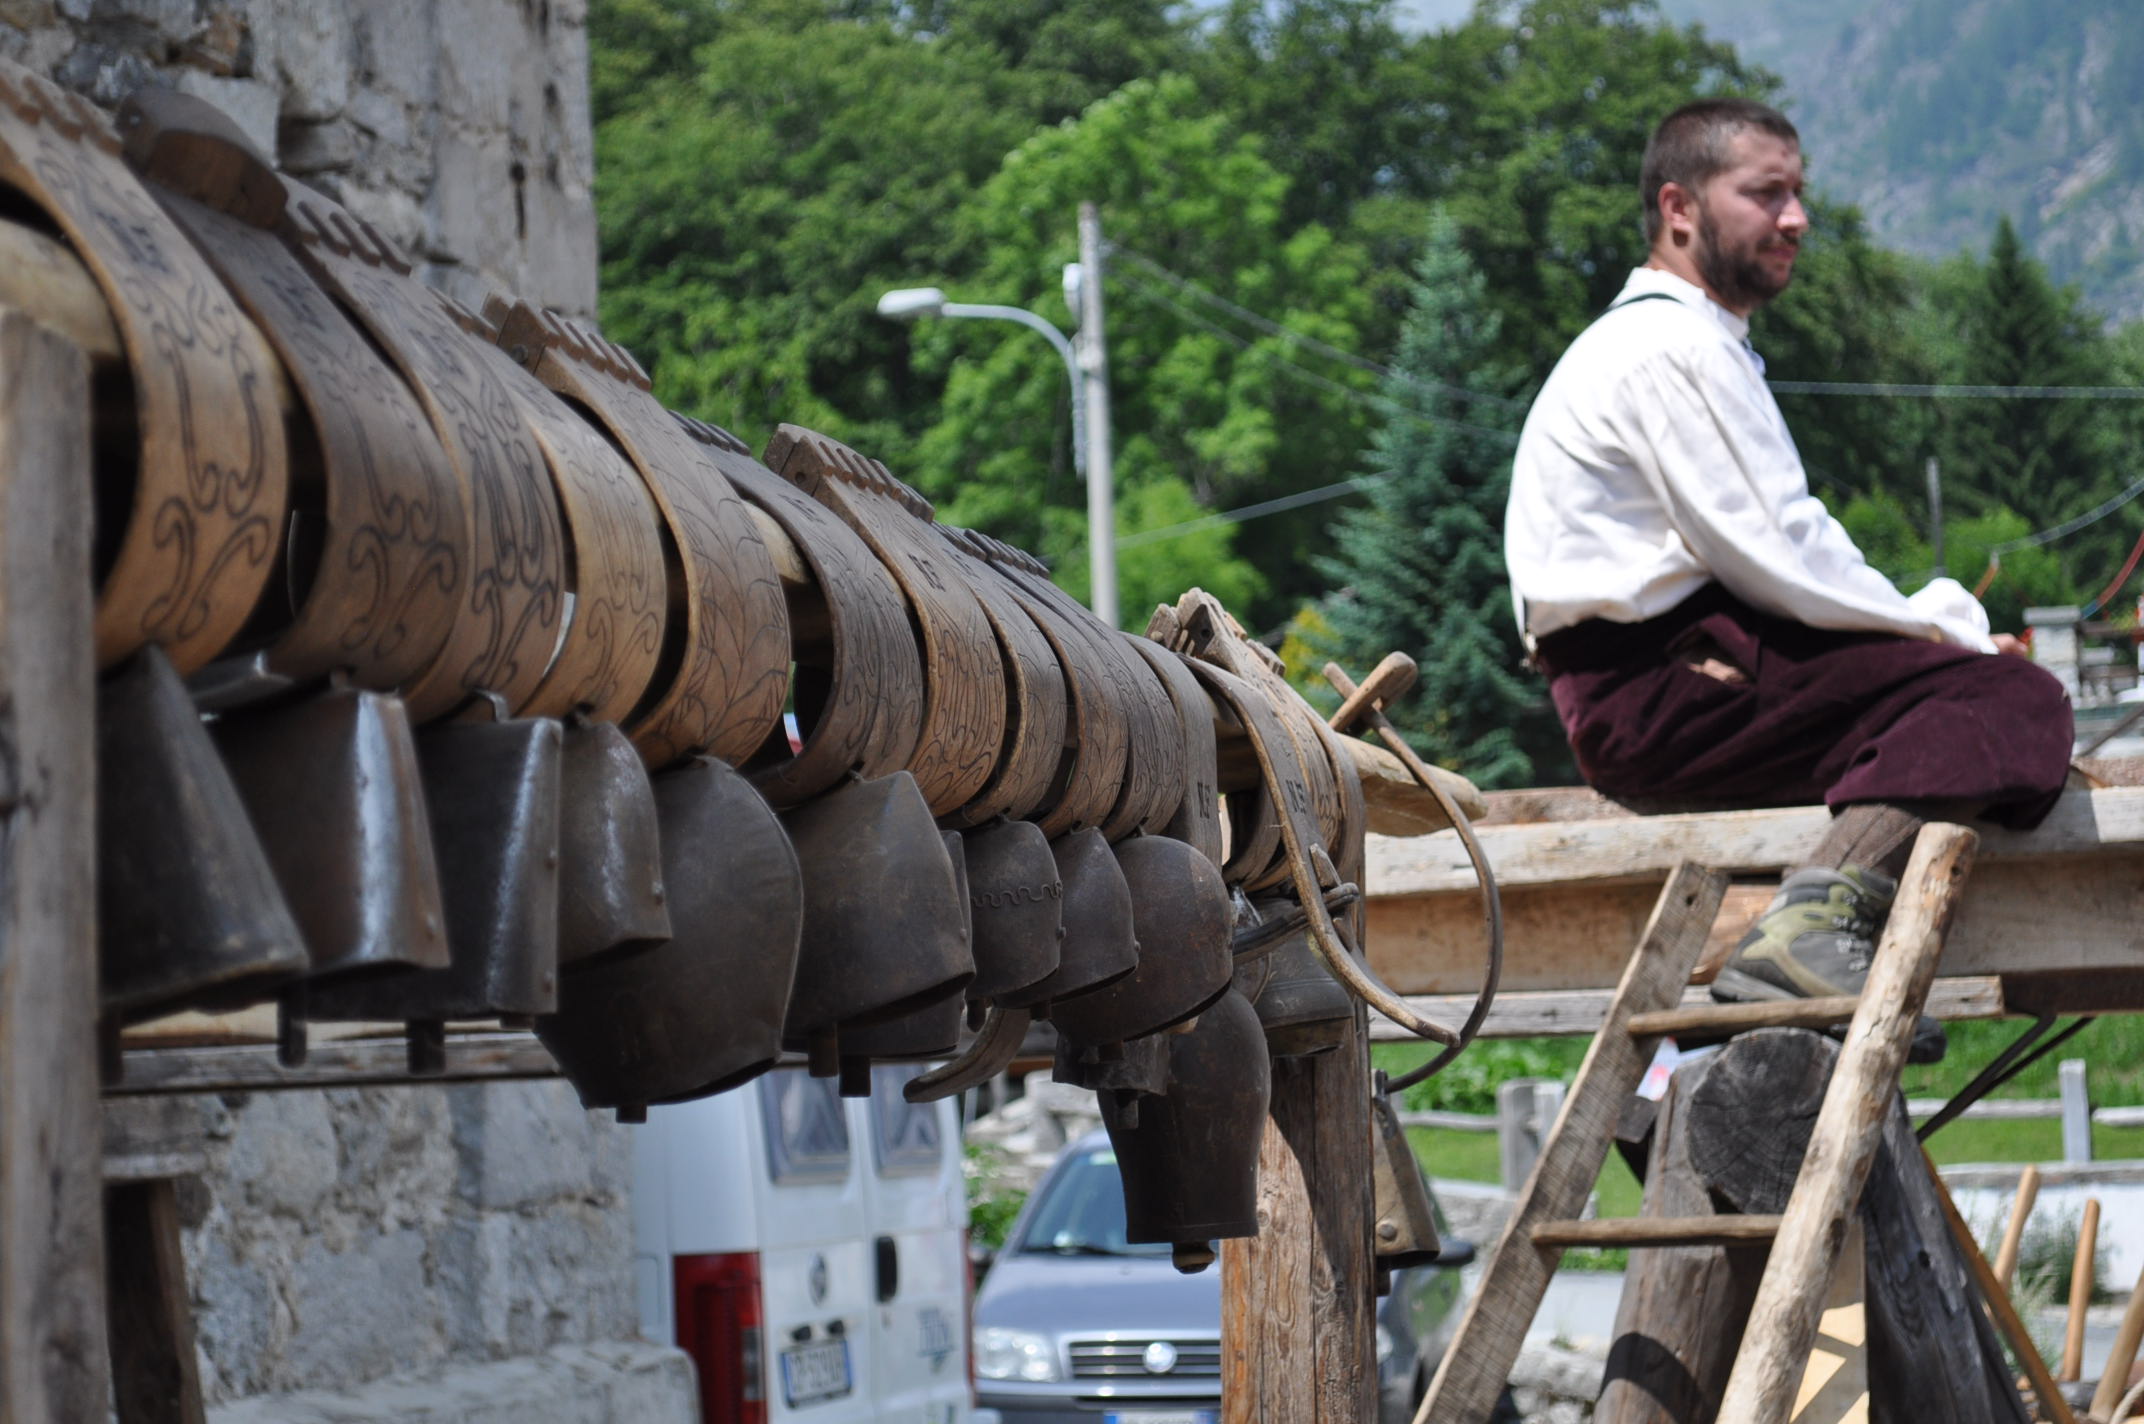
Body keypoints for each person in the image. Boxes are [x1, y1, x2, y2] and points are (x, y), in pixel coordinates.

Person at [1503, 98, 2073, 1047]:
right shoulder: (1667, 349)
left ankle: (1701, 1045)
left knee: (1984, 694)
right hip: (1664, 692)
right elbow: (1785, 558)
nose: (1796, 218)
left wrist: (1935, 641)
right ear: (1679, 209)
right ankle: (1814, 922)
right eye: (1766, 193)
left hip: (1676, 679)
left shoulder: (1678, 342)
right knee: (2011, 704)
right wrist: (1953, 634)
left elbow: (1780, 557)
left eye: (1798, 193)